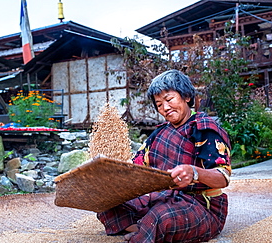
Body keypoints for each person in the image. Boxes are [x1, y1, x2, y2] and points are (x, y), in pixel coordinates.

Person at [97, 70, 231, 243]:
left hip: (202, 207)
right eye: (159, 104)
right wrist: (108, 176)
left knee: (161, 217)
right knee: (107, 206)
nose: (165, 108)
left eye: (169, 100)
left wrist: (194, 172)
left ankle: (148, 228)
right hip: (165, 199)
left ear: (187, 96)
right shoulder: (158, 134)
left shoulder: (204, 128)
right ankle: (147, 228)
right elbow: (135, 168)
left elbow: (223, 177)